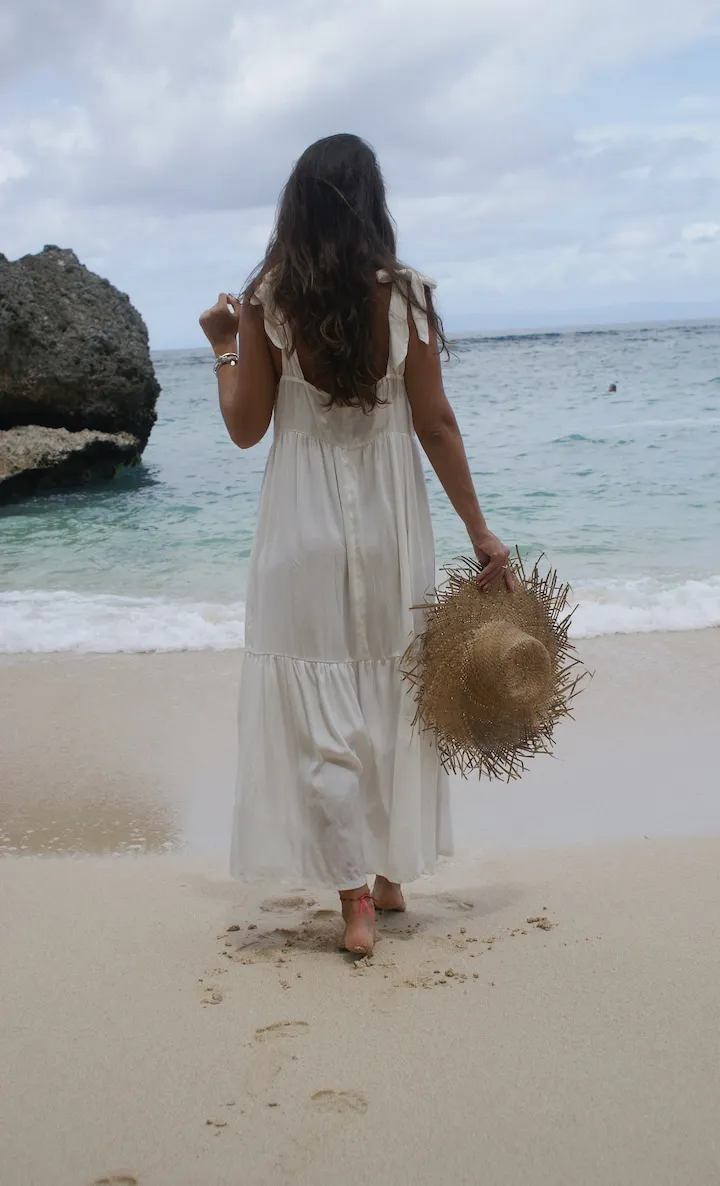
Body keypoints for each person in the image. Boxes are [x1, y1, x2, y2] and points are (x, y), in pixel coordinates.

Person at [199, 134, 509, 956]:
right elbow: (436, 423)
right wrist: (479, 529)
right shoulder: (406, 296)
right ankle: (391, 872)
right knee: (396, 683)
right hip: (390, 515)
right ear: (373, 205)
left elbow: (246, 428)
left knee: (320, 705)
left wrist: (224, 346)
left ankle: (355, 905)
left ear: (295, 206)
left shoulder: (267, 300)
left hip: (300, 520)